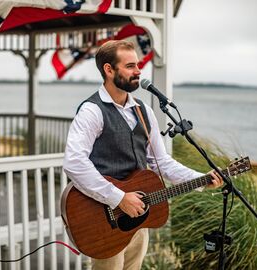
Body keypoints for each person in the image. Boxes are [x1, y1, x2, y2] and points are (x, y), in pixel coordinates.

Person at [63, 40, 223, 270]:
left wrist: (201, 178)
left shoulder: (144, 110)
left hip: (138, 217)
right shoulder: (92, 111)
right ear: (109, 70)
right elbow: (74, 162)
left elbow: (161, 162)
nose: (138, 71)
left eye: (137, 65)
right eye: (130, 66)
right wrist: (118, 198)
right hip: (103, 218)